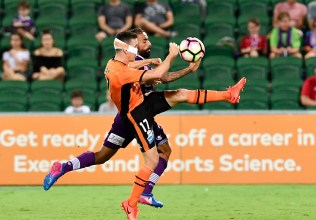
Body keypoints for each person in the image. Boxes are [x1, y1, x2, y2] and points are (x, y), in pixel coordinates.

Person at [43, 28, 200, 209]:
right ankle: (145, 193)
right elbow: (161, 77)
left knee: (104, 156)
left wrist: (179, 68)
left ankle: (64, 167)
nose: (148, 44)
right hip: (138, 115)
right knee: (159, 153)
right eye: (143, 41)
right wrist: (180, 64)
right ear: (131, 46)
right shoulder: (131, 64)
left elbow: (160, 77)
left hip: (129, 117)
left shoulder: (134, 61)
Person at [104, 31, 245, 220]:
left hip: (144, 102)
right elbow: (158, 75)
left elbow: (137, 67)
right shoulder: (121, 71)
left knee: (181, 94)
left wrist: (167, 64)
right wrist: (171, 54)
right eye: (136, 45)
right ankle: (131, 204)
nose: (138, 49)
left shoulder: (117, 63)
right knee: (151, 160)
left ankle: (228, 95)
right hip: (136, 113)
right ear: (127, 48)